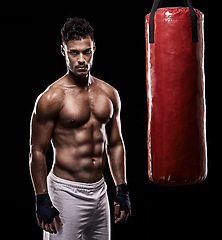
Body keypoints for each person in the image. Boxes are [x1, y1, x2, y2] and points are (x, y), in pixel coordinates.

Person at [29, 17, 131, 240]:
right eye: (74, 53)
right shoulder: (51, 97)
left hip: (100, 191)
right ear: (63, 51)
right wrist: (42, 198)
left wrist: (121, 188)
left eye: (87, 51)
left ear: (94, 48)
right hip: (66, 192)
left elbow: (115, 143)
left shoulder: (109, 94)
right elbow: (37, 151)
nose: (81, 59)